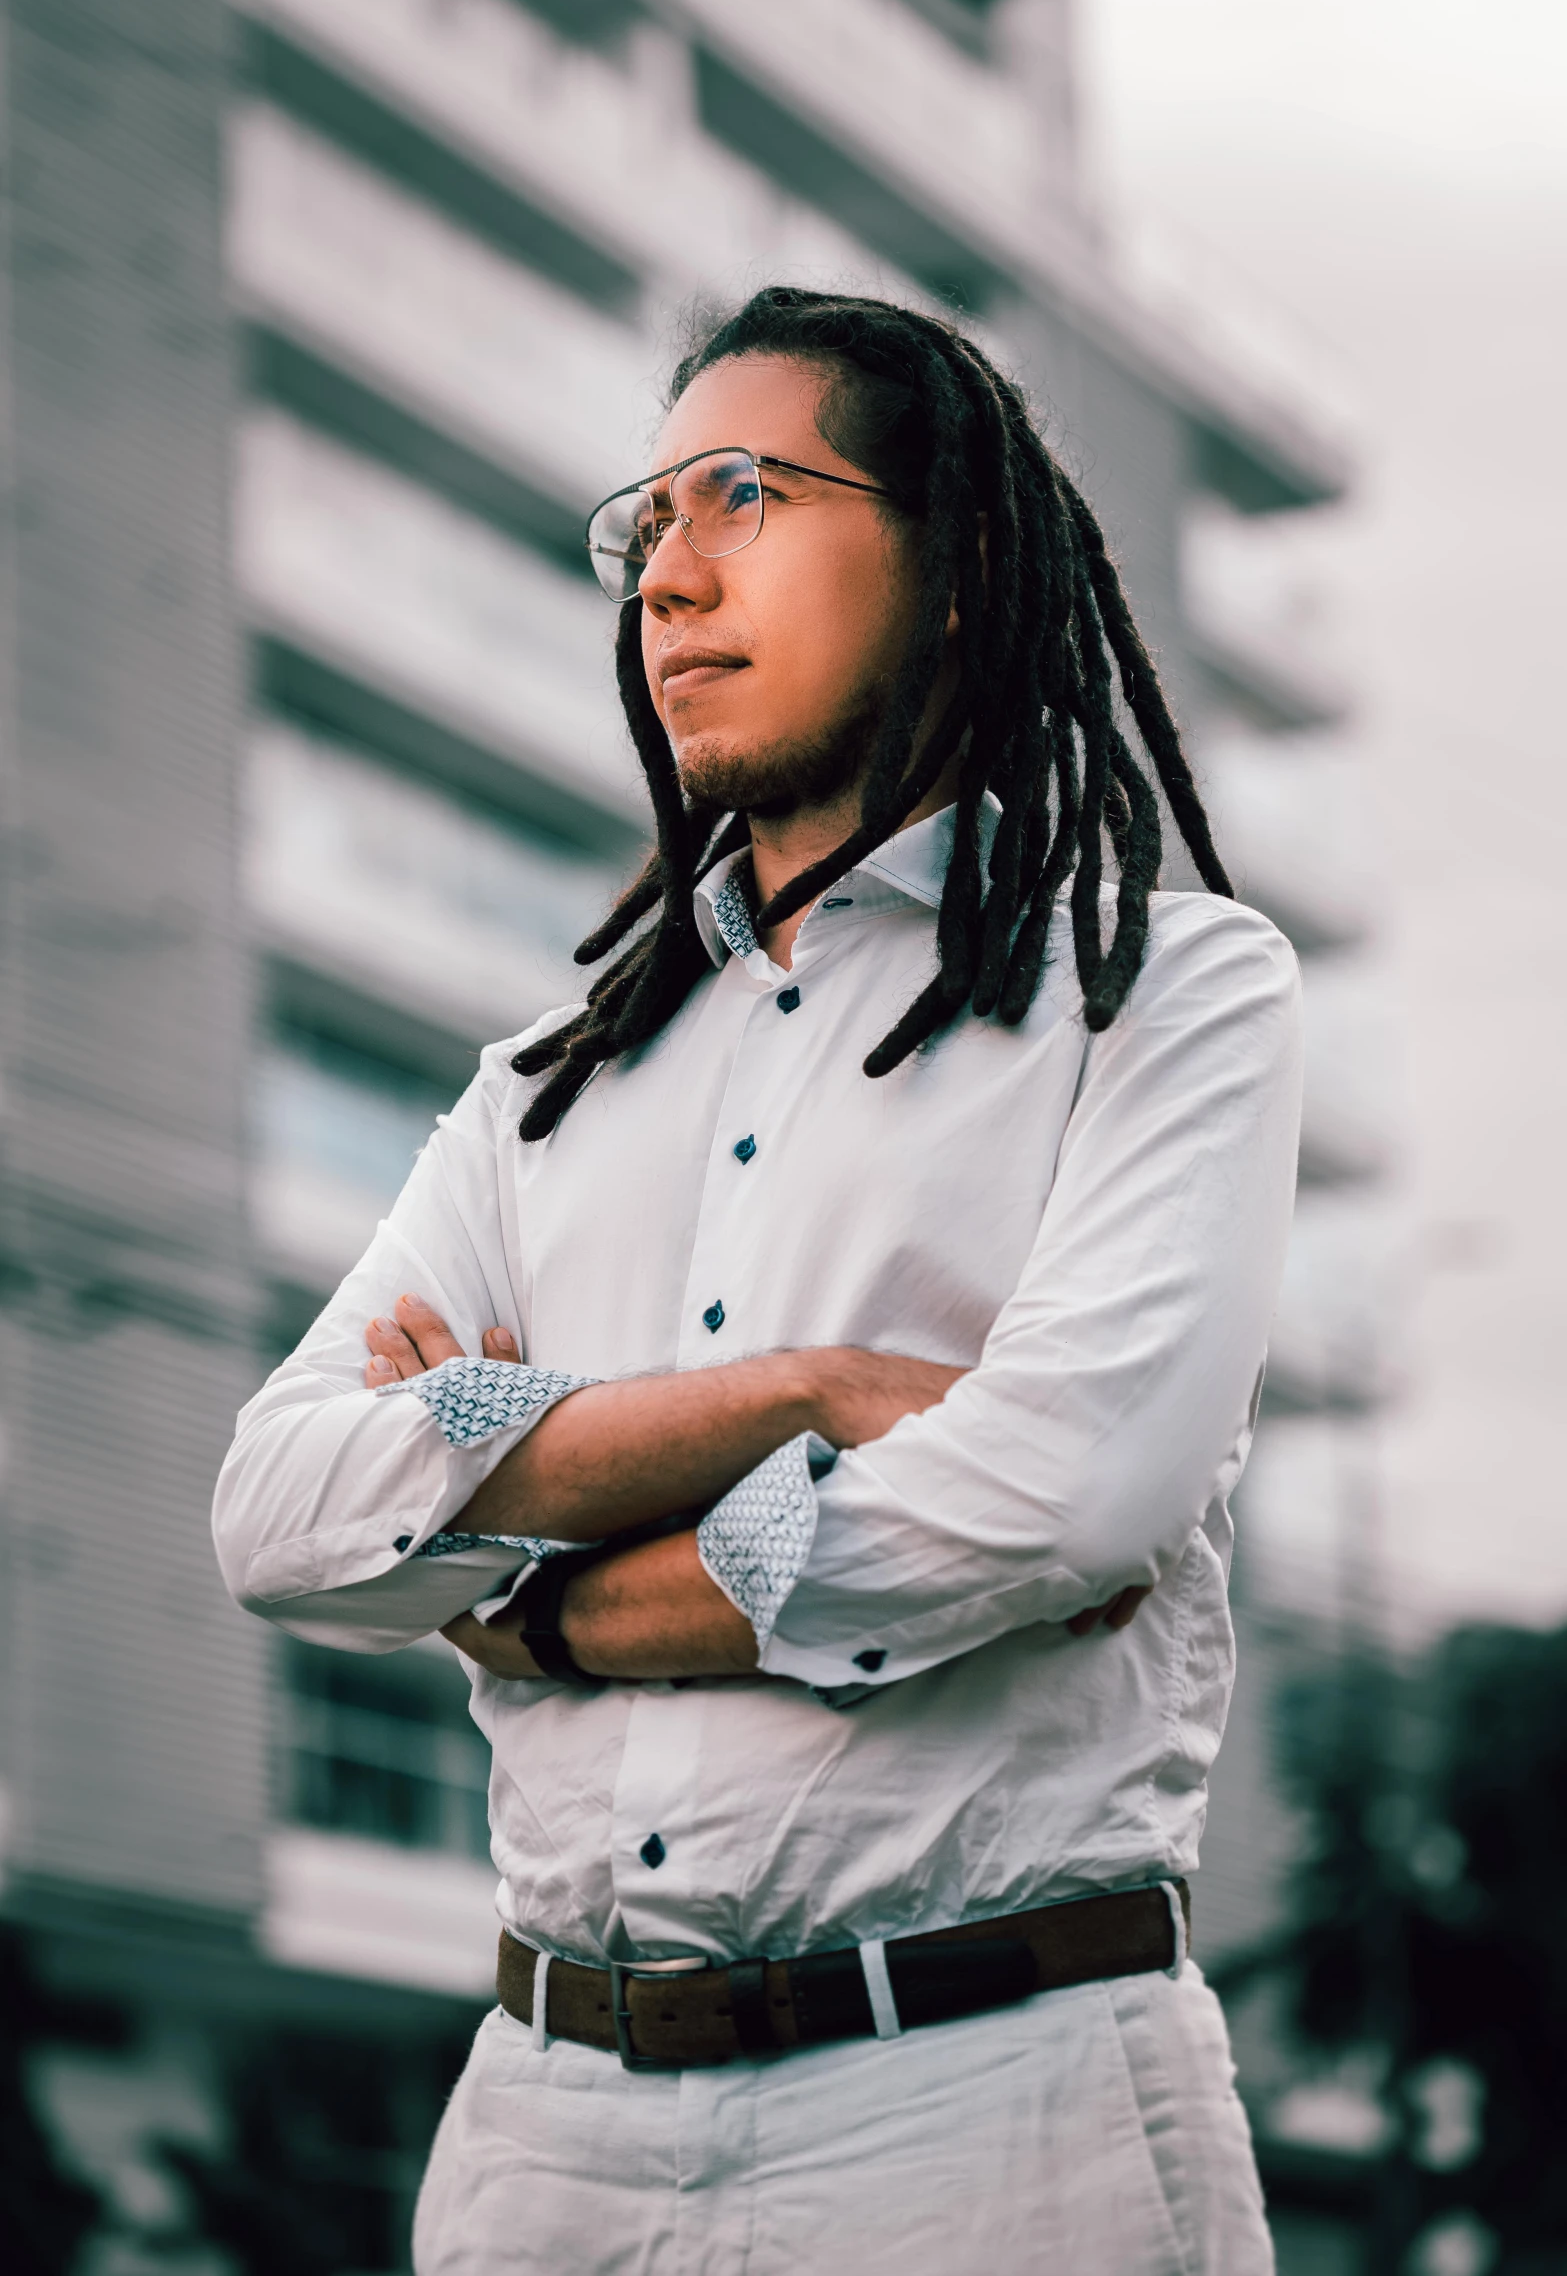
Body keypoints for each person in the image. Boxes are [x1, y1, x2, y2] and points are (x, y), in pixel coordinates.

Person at [213, 287, 1302, 2274]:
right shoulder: (544, 1091)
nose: (670, 575)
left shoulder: (1164, 992)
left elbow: (1058, 1495)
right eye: (645, 526)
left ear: (957, 563)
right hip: (543, 2130)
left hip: (994, 2107)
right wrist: (789, 1399)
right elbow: (280, 1511)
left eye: (746, 495)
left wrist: (545, 1597)